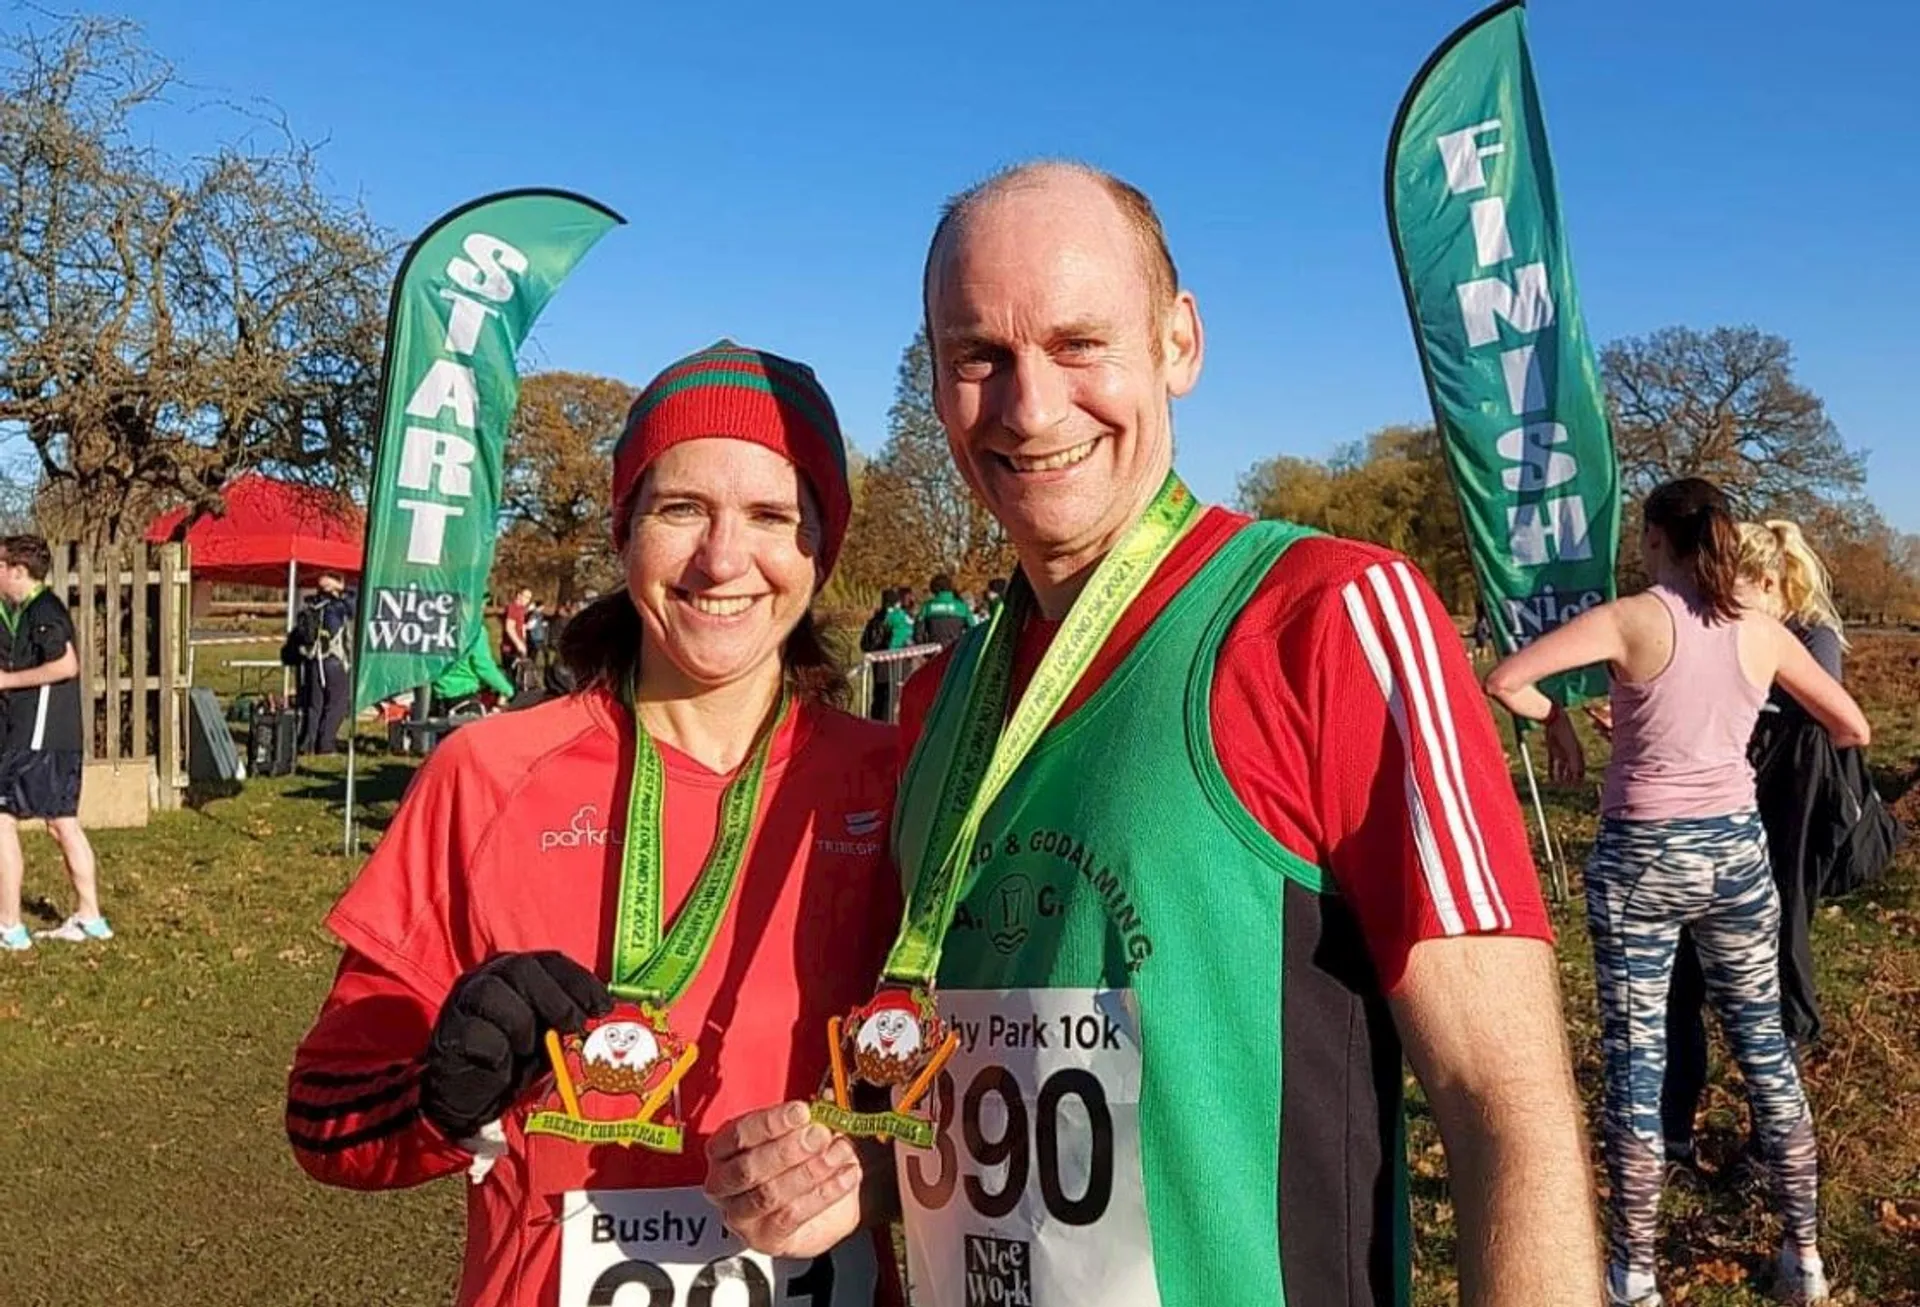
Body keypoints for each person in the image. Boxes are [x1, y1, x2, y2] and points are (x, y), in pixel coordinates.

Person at [704, 162, 1600, 1306]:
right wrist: (854, 1166)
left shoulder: (1327, 616)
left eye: (1081, 343)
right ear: (936, 383)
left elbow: (1505, 1105)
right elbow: (964, 1082)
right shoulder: (939, 703)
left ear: (1179, 342)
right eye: (980, 356)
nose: (1030, 407)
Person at [288, 340, 905, 1307]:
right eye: (681, 508)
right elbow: (326, 1117)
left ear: (818, 549)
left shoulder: (899, 781)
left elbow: (988, 1107)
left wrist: (876, 1177)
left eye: (771, 515)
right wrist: (447, 1094)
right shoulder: (485, 772)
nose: (723, 557)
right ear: (624, 535)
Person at [1486, 479, 1871, 1306]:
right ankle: (1804, 1254)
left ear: (1657, 537)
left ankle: (1635, 1274)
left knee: (1636, 1062)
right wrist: (1739, 727)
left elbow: (1506, 678)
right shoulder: (1761, 631)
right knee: (1765, 1050)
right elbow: (1851, 725)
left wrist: (1556, 720)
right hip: (1735, 855)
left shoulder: (1630, 619)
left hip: (1640, 860)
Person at [1661, 518, 1896, 1175]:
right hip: (1720, 820)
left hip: (1787, 823)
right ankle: (1674, 1135)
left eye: (1732, 589)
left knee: (1770, 978)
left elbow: (1835, 721)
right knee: (1685, 975)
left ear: (1768, 582)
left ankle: (1775, 1148)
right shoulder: (1738, 630)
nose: (1719, 605)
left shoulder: (1809, 638)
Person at [0, 535, 108, 951]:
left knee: (3, 818)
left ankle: (10, 927)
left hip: (39, 737)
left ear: (19, 571)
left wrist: (9, 681)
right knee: (62, 822)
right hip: (56, 737)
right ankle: (90, 917)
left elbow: (66, 664)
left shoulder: (44, 609)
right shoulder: (33, 610)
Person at [289, 571, 354, 756]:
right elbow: (355, 605)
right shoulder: (337, 607)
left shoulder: (312, 605)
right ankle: (325, 745)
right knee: (338, 705)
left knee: (314, 705)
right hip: (333, 661)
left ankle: (307, 744)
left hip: (312, 661)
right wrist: (342, 589)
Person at [429, 632, 518, 718]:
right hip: (466, 698)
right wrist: (508, 690)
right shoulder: (474, 627)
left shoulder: (431, 628)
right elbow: (483, 667)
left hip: (436, 698)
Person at [859, 587, 913, 723]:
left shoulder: (875, 619)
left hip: (877, 663)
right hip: (892, 662)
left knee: (878, 696)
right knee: (889, 699)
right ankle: (884, 727)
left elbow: (865, 643)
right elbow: (901, 637)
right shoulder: (898, 618)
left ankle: (873, 725)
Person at [911, 573, 971, 647]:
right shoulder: (962, 607)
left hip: (935, 652)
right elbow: (974, 630)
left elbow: (918, 634)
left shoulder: (927, 607)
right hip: (956, 651)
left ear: (933, 588)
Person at [501, 586, 533, 691]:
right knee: (509, 677)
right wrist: (518, 644)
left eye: (529, 598)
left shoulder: (521, 609)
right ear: (519, 595)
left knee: (518, 676)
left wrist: (524, 640)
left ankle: (514, 697)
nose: (527, 600)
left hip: (519, 648)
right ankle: (502, 702)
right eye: (526, 597)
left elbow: (520, 626)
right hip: (510, 649)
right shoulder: (512, 608)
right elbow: (509, 627)